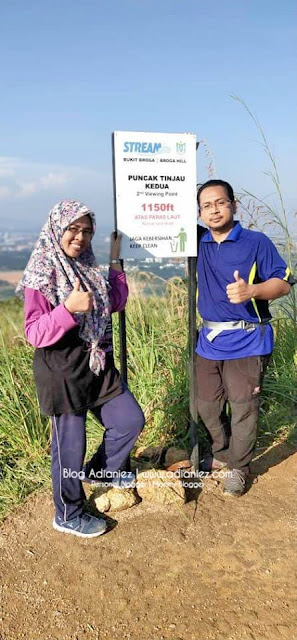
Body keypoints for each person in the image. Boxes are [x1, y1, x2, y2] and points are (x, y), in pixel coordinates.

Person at [16, 200, 145, 537]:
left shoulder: (86, 267)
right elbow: (34, 332)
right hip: (62, 371)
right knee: (69, 449)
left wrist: (116, 260)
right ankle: (68, 514)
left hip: (97, 364)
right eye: (74, 228)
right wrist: (68, 309)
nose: (81, 236)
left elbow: (114, 301)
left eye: (87, 230)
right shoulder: (42, 272)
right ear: (57, 228)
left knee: (129, 420)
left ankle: (100, 471)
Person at [195, 179, 294, 496]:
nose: (214, 209)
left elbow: (284, 284)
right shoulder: (197, 241)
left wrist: (253, 290)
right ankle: (223, 453)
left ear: (234, 206)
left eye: (220, 202)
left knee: (243, 407)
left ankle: (239, 467)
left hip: (247, 340)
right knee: (206, 406)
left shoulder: (256, 242)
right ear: (199, 212)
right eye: (207, 205)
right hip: (208, 341)